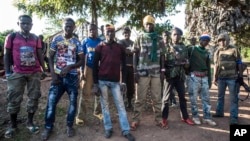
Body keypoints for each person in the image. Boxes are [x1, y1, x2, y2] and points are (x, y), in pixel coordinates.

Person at [41, 17, 84, 140]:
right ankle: (48, 127)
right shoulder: (57, 39)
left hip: (72, 77)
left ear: (74, 27)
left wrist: (71, 67)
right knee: (51, 102)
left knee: (73, 103)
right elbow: (50, 57)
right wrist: (53, 74)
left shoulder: (77, 42)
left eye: (71, 26)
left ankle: (69, 125)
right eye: (66, 26)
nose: (68, 28)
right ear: (62, 26)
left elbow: (82, 60)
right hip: (58, 77)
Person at [3, 14, 46, 138]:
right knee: (14, 99)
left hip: (34, 73)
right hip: (17, 73)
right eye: (23, 23)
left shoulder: (36, 38)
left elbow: (39, 53)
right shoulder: (11, 37)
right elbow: (6, 54)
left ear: (32, 25)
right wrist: (7, 72)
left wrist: (43, 69)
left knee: (34, 97)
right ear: (18, 24)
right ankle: (12, 126)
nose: (26, 25)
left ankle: (30, 122)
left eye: (28, 23)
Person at [92, 24, 135, 141]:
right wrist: (95, 84)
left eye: (112, 32)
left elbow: (124, 66)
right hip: (102, 81)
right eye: (107, 32)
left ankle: (126, 130)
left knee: (120, 105)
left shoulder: (119, 47)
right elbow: (95, 66)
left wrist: (124, 82)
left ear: (115, 33)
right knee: (105, 106)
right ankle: (108, 128)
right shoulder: (99, 47)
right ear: (104, 33)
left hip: (116, 82)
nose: (110, 34)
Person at [130, 15, 163, 130]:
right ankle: (135, 120)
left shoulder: (159, 38)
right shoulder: (139, 37)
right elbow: (135, 54)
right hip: (142, 72)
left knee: (157, 98)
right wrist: (135, 72)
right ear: (144, 25)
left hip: (156, 72)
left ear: (154, 25)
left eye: (151, 24)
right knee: (140, 98)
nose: (149, 26)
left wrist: (162, 70)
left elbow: (162, 55)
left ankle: (159, 119)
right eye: (147, 24)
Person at [160, 27, 195, 129]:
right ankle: (164, 118)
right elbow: (163, 62)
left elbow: (187, 62)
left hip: (180, 75)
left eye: (178, 34)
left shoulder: (184, 47)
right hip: (169, 75)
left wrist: (186, 63)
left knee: (182, 98)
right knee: (166, 99)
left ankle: (185, 117)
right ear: (171, 36)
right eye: (174, 34)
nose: (176, 36)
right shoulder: (165, 47)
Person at [212, 33, 243, 125]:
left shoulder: (234, 49)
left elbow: (239, 62)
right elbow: (216, 65)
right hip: (221, 78)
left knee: (233, 98)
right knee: (220, 97)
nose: (222, 42)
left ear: (228, 40)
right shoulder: (217, 51)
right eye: (220, 40)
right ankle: (219, 112)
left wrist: (240, 76)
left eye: (224, 40)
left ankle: (234, 117)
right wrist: (215, 77)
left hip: (232, 78)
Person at [75, 23, 102, 125]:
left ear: (96, 30)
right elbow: (81, 59)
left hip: (99, 70)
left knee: (99, 92)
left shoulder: (100, 42)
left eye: (94, 29)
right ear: (88, 31)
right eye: (90, 30)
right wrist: (82, 72)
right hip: (88, 69)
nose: (92, 31)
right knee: (85, 93)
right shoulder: (85, 42)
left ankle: (97, 112)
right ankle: (80, 116)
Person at [187, 33, 216, 126]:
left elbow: (208, 66)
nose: (206, 42)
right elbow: (185, 58)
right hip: (193, 77)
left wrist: (210, 80)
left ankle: (207, 117)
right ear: (200, 40)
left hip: (204, 77)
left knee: (206, 99)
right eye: (204, 40)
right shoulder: (192, 49)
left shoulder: (207, 53)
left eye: (207, 41)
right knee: (193, 98)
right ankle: (195, 116)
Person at [117, 26, 135, 110]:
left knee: (131, 86)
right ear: (123, 34)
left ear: (130, 33)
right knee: (122, 85)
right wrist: (130, 51)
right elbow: (124, 51)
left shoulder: (133, 42)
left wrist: (130, 52)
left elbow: (135, 52)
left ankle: (129, 103)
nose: (126, 34)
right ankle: (122, 104)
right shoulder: (120, 42)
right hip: (123, 67)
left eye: (128, 32)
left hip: (131, 67)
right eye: (125, 32)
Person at [160, 30, 177, 107]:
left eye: (167, 35)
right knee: (161, 85)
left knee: (170, 86)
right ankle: (162, 101)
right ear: (162, 36)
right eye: (164, 35)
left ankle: (173, 101)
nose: (166, 37)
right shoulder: (159, 45)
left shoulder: (171, 46)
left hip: (169, 68)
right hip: (160, 68)